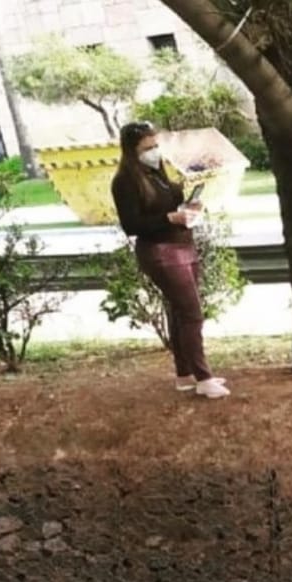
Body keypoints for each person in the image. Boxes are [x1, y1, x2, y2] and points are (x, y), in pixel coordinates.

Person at [111, 121, 229, 399]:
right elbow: (131, 224)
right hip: (161, 252)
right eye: (147, 148)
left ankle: (185, 374)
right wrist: (169, 218)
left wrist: (189, 207)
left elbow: (170, 204)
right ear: (132, 150)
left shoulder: (158, 174)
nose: (154, 151)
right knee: (192, 314)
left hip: (183, 245)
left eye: (155, 145)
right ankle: (203, 378)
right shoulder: (125, 181)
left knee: (180, 313)